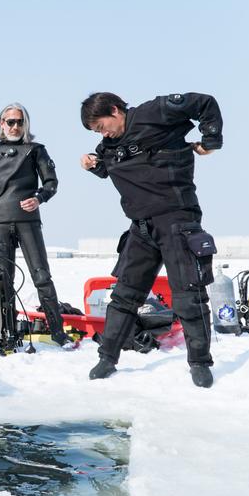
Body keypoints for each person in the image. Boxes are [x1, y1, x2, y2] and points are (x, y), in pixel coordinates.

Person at [79, 92, 222, 388]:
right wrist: (93, 165)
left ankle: (199, 362)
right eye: (96, 132)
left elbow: (205, 103)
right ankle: (107, 358)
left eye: (101, 126)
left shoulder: (154, 112)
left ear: (116, 110)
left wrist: (210, 140)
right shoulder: (108, 146)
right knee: (124, 295)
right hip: (140, 227)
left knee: (188, 294)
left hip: (177, 219)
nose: (102, 133)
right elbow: (108, 169)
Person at [0, 103, 74, 348]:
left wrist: (39, 198)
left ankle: (58, 333)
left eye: (19, 121)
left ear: (26, 124)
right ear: (1, 124)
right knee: (5, 280)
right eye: (10, 121)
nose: (14, 126)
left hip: (28, 222)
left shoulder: (35, 150)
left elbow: (51, 182)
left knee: (42, 277)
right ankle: (8, 333)